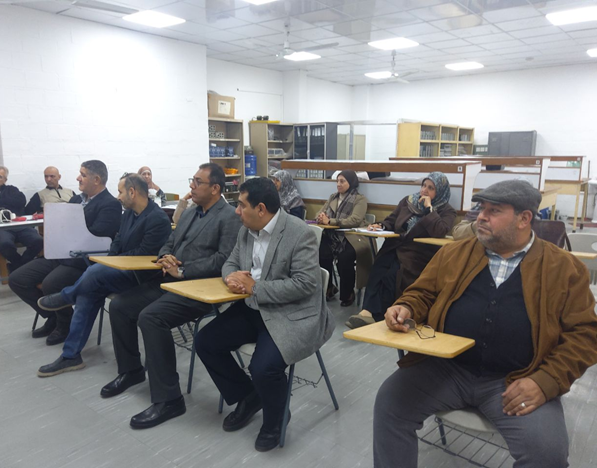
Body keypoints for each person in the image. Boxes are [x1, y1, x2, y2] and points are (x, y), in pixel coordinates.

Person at [373, 180, 597, 468]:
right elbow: (423, 292)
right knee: (390, 405)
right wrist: (406, 306)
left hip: (517, 379)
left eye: (494, 211)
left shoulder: (564, 269)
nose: (481, 217)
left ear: (524, 219)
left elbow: (585, 334)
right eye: (481, 209)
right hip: (447, 369)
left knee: (547, 454)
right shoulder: (454, 254)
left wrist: (545, 381)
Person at [195, 177, 335, 452]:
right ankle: (249, 396)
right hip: (253, 308)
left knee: (263, 368)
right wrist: (232, 278)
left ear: (260, 209)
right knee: (205, 342)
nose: (237, 211)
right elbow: (230, 263)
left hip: (291, 313)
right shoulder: (246, 230)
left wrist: (255, 287)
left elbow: (306, 284)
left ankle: (276, 419)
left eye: (241, 205)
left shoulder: (299, 232)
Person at [100, 163, 241, 430]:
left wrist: (183, 270)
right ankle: (131, 370)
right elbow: (170, 240)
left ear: (215, 188)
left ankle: (170, 399)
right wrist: (165, 256)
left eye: (197, 182)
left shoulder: (229, 216)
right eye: (192, 180)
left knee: (151, 318)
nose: (191, 186)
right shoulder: (189, 213)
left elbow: (223, 259)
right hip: (169, 280)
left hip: (199, 288)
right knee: (120, 306)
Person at [35, 173, 171, 377]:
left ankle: (66, 296)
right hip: (121, 271)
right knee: (88, 292)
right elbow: (117, 240)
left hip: (142, 277)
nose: (118, 196)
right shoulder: (129, 214)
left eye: (120, 192)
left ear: (132, 192)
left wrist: (113, 262)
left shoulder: (157, 218)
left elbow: (145, 254)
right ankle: (71, 356)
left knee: (94, 272)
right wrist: (112, 260)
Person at [9, 160, 121, 345]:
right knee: (17, 279)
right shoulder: (76, 200)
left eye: (83, 175)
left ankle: (64, 324)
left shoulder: (110, 204)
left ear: (96, 179)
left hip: (83, 260)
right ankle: (53, 316)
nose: (78, 178)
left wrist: (67, 232)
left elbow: (98, 235)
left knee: (50, 284)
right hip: (61, 254)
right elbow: (64, 225)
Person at [346, 172, 456, 329]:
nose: (425, 190)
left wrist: (429, 210)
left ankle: (378, 315)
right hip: (395, 245)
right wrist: (381, 225)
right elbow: (392, 220)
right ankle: (367, 311)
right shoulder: (408, 201)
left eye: (431, 188)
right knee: (378, 268)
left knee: (393, 274)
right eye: (424, 185)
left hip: (418, 253)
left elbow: (440, 230)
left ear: (440, 192)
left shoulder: (446, 211)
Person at [317, 170, 373, 307]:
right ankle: (329, 287)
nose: (338, 184)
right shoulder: (333, 197)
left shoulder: (360, 199)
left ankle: (348, 293)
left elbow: (355, 220)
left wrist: (331, 221)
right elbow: (321, 212)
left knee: (344, 257)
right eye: (337, 181)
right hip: (332, 235)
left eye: (342, 181)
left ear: (351, 182)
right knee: (320, 252)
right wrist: (320, 217)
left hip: (352, 236)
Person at [0, 164, 43, 272]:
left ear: (5, 180)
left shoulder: (12, 189)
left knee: (38, 241)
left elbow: (21, 202)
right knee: (4, 244)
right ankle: (22, 266)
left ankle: (17, 267)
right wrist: (10, 203)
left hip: (19, 226)